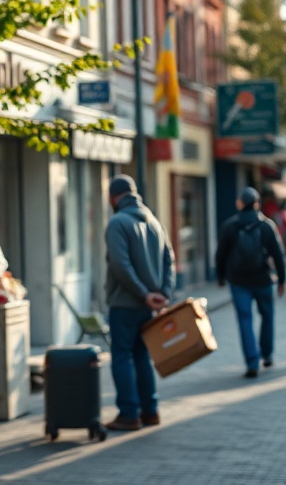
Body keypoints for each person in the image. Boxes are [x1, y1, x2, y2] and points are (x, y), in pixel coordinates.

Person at [103, 175, 175, 432]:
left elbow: (121, 266)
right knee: (142, 355)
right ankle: (150, 411)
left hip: (125, 303)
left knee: (122, 356)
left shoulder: (117, 223)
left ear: (114, 197)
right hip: (149, 304)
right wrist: (163, 293)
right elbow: (169, 260)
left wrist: (144, 294)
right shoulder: (154, 222)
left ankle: (129, 414)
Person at [215, 186, 286, 378]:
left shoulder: (230, 226)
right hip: (263, 279)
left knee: (244, 320)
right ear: (257, 204)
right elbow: (278, 254)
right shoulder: (266, 226)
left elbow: (220, 255)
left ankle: (252, 362)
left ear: (240, 204)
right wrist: (282, 279)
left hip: (238, 281)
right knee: (267, 316)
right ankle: (268, 354)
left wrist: (221, 277)